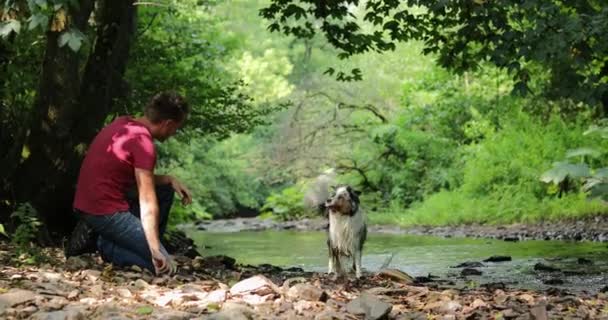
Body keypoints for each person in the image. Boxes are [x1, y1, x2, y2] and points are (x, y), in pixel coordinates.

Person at [69, 92, 193, 275]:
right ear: (168, 123)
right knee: (165, 268)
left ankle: (129, 241)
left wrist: (168, 179)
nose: (174, 133)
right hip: (105, 211)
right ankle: (104, 245)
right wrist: (154, 248)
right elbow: (147, 202)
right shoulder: (143, 143)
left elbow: (135, 182)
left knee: (165, 189)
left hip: (89, 203)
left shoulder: (123, 124)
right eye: (176, 128)